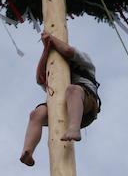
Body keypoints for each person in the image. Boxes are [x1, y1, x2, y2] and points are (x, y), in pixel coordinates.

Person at [19, 31, 101, 167]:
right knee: (36, 113)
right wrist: (46, 49)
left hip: (85, 104)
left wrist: (51, 38)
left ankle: (74, 128)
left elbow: (68, 50)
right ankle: (27, 150)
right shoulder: (54, 73)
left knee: (72, 90)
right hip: (60, 106)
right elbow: (39, 77)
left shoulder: (84, 62)